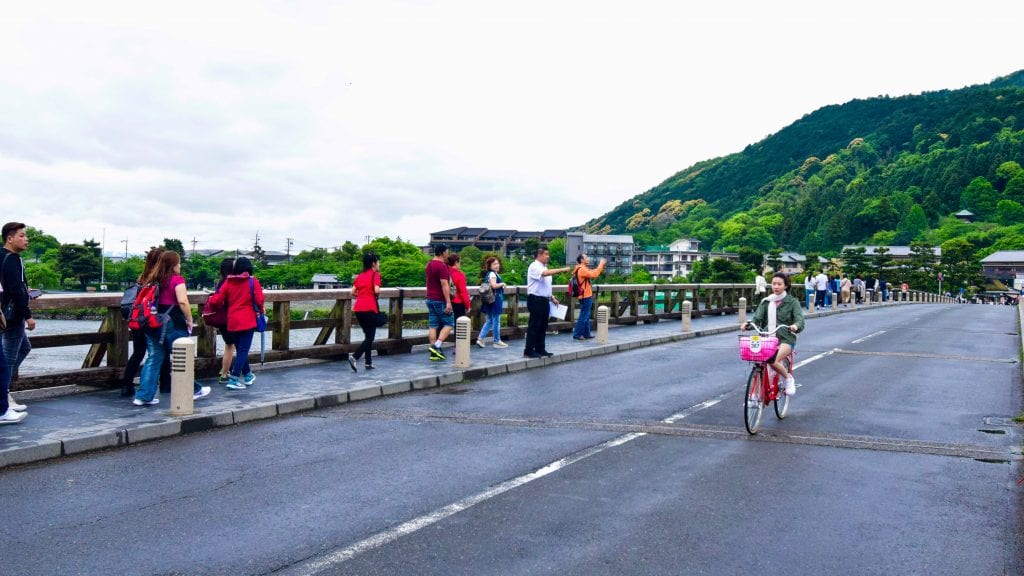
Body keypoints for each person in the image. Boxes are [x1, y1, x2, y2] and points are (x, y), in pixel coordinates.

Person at [133, 251, 212, 404]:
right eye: (179, 262)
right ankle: (194, 390)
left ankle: (143, 396)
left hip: (152, 322)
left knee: (154, 358)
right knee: (182, 356)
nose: (180, 265)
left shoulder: (152, 278)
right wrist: (190, 320)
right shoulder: (177, 279)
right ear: (173, 265)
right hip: (172, 323)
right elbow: (182, 301)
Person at [205, 256, 264, 390]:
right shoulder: (252, 281)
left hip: (232, 321)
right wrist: (260, 310)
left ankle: (248, 375)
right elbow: (260, 300)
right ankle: (234, 378)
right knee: (243, 350)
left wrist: (211, 297)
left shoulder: (229, 282)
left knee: (240, 349)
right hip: (248, 321)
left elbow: (217, 300)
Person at [744, 272, 805, 396]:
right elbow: (757, 318)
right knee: (759, 360)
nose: (776, 286)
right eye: (774, 284)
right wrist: (748, 324)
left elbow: (800, 320)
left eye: (779, 284)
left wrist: (795, 326)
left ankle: (788, 378)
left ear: (786, 286)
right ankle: (755, 396)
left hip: (786, 339)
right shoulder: (766, 301)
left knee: (772, 360)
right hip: (767, 337)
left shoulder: (792, 302)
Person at [120, 247, 170, 396]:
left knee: (138, 352)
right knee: (162, 352)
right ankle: (165, 385)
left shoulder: (141, 278)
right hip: (152, 320)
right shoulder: (160, 279)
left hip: (138, 319)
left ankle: (127, 385)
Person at [1, 222, 34, 415]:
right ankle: (4, 398)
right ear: (10, 238)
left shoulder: (0, 255)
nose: (26, 239)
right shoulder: (14, 259)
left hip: (2, 312)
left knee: (24, 348)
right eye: (22, 235)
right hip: (13, 316)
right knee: (9, 358)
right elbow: (16, 289)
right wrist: (28, 316)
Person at [524, 247, 570, 358]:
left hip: (544, 300)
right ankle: (529, 350)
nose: (548, 256)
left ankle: (540, 349)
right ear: (539, 255)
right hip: (535, 299)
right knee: (534, 325)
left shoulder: (545, 267)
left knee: (543, 326)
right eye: (546, 254)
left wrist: (552, 297)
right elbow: (544, 274)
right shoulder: (534, 266)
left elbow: (545, 286)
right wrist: (561, 270)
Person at [349, 251, 381, 371]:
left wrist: (362, 295)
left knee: (368, 336)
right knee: (370, 337)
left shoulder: (360, 276)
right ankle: (354, 357)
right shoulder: (375, 275)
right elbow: (377, 290)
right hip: (370, 308)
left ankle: (368, 362)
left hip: (358, 308)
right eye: (378, 262)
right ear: (373, 263)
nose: (379, 264)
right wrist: (375, 294)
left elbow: (352, 292)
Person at [424, 244, 454, 361]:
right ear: (442, 253)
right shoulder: (441, 266)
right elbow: (444, 284)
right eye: (447, 251)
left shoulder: (429, 264)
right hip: (439, 299)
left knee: (433, 325)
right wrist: (448, 302)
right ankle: (437, 346)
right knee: (449, 323)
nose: (447, 253)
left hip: (429, 298)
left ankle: (433, 352)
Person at [571, 253, 606, 340]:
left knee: (586, 314)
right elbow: (594, 275)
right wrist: (601, 265)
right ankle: (577, 334)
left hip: (583, 295)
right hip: (585, 295)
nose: (588, 258)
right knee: (584, 315)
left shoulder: (579, 268)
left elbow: (592, 272)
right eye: (586, 257)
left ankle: (586, 333)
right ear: (582, 260)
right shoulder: (582, 269)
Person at [214, 257, 236, 385]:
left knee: (230, 344)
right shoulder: (230, 282)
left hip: (222, 318)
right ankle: (224, 373)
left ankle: (225, 370)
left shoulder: (221, 282)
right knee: (230, 345)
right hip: (229, 318)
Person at [476, 256, 507, 348]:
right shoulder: (493, 274)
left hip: (489, 300)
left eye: (497, 263)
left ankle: (480, 339)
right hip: (495, 300)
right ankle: (497, 341)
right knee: (496, 320)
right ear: (489, 266)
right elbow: (494, 285)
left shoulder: (490, 274)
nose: (497, 265)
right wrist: (502, 284)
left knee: (489, 320)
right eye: (494, 264)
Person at [446, 253, 471, 320]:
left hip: (445, 301)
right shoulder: (459, 275)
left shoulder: (445, 272)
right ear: (456, 262)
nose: (460, 264)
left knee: (444, 324)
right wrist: (468, 305)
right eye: (459, 262)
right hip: (457, 302)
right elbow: (463, 292)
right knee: (459, 325)